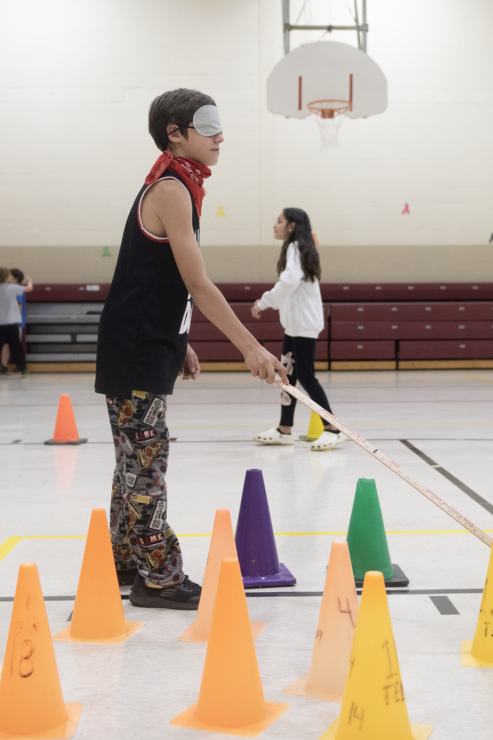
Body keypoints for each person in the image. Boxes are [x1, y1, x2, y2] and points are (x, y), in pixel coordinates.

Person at [95, 88, 288, 610]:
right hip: (135, 348)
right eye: (208, 126)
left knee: (132, 462)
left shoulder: (177, 185)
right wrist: (251, 348)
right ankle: (158, 578)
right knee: (146, 465)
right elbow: (198, 283)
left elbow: (157, 282)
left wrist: (180, 343)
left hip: (144, 343)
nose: (220, 135)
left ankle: (123, 561)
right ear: (175, 135)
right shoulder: (171, 189)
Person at [252, 209, 345, 451]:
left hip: (303, 325)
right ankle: (284, 429)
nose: (274, 225)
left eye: (279, 221)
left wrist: (264, 301)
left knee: (305, 376)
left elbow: (290, 281)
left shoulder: (296, 248)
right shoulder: (297, 248)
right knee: (287, 375)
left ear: (292, 226)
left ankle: (333, 428)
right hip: (294, 326)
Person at [0, 267, 33, 379]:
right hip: (11, 322)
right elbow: (29, 288)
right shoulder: (11, 288)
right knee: (17, 346)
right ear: (6, 278)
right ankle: (23, 369)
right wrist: (29, 281)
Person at [0, 268, 28, 374]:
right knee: (5, 344)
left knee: (14, 345)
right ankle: (4, 366)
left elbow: (19, 307)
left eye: (9, 276)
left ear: (15, 279)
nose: (7, 277)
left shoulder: (18, 290)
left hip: (15, 323)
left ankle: (21, 366)